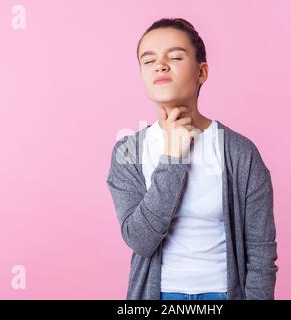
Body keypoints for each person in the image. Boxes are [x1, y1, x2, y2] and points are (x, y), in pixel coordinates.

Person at [106, 18, 278, 300]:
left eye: (174, 57)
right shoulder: (128, 152)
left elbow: (261, 253)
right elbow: (140, 239)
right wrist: (173, 157)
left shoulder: (240, 152)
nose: (160, 65)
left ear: (202, 72)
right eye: (148, 61)